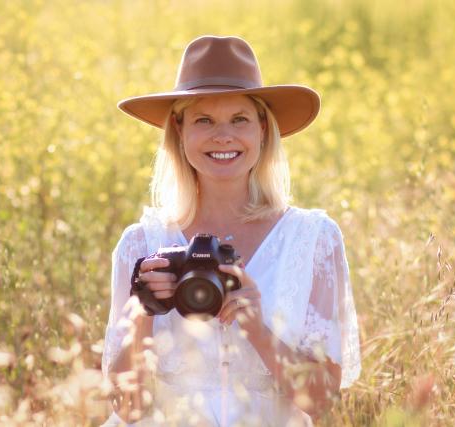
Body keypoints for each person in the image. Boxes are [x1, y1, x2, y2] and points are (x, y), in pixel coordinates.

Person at [101, 35, 361, 426]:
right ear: (180, 128)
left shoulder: (312, 240)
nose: (223, 136)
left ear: (261, 128)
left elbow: (322, 401)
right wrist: (144, 313)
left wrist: (257, 326)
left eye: (239, 119)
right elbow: (127, 408)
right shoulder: (142, 244)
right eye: (204, 120)